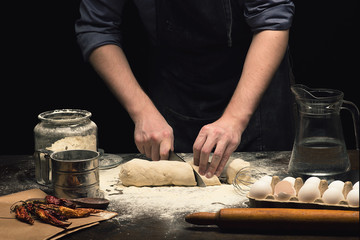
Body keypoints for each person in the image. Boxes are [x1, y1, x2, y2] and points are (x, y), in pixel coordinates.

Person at [75, 0, 295, 178]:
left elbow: (271, 21)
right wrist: (142, 111)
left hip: (254, 91)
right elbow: (97, 27)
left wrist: (235, 118)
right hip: (178, 91)